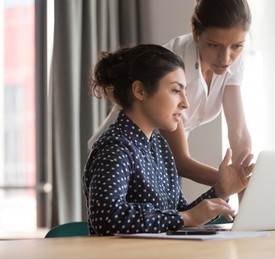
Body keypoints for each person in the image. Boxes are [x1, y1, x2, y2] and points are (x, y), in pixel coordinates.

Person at [83, 44, 254, 235]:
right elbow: (107, 218)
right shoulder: (115, 148)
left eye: (185, 92)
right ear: (139, 91)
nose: (185, 103)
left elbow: (179, 214)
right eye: (175, 91)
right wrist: (186, 218)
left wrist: (221, 190)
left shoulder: (160, 147)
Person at [88, 0, 252, 188]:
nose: (225, 58)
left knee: (173, 213)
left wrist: (246, 198)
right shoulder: (174, 63)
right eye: (214, 45)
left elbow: (238, 134)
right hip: (125, 154)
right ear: (195, 33)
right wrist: (235, 182)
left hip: (159, 156)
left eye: (236, 46)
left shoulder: (233, 59)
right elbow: (181, 160)